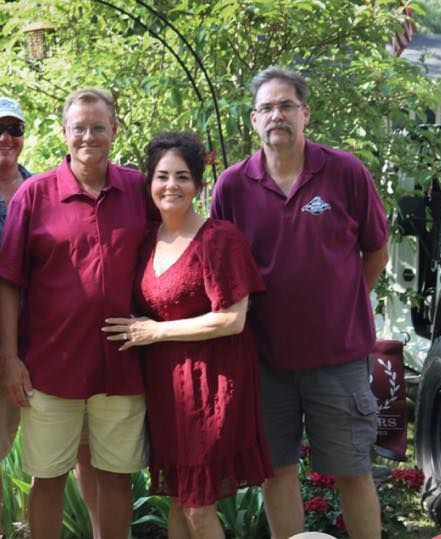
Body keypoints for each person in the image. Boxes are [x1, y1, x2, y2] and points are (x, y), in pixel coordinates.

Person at [210, 66, 389, 539]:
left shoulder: (345, 172)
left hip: (339, 359)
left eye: (287, 105)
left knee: (353, 470)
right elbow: (221, 267)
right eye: (267, 107)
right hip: (264, 360)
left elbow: (376, 249)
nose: (277, 115)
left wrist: (343, 302)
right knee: (277, 471)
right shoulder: (231, 185)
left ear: (305, 113)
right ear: (253, 120)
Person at [0, 87, 150, 539]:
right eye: (79, 128)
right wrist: (9, 358)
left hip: (121, 365)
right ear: (63, 132)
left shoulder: (139, 189)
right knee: (48, 479)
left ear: (114, 131)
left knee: (117, 478)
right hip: (49, 367)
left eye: (98, 127)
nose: (88, 137)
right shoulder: (34, 195)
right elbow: (7, 283)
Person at [102, 132, 272, 539]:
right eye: (162, 176)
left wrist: (156, 331)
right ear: (149, 183)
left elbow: (232, 319)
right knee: (179, 497)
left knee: (197, 505)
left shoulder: (219, 239)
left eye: (182, 176)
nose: (171, 186)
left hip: (212, 382)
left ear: (197, 184)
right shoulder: (146, 239)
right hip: (166, 389)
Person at [0, 96, 101, 538]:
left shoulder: (46, 189)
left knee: (79, 449)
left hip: (50, 342)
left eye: (14, 129)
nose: (4, 138)